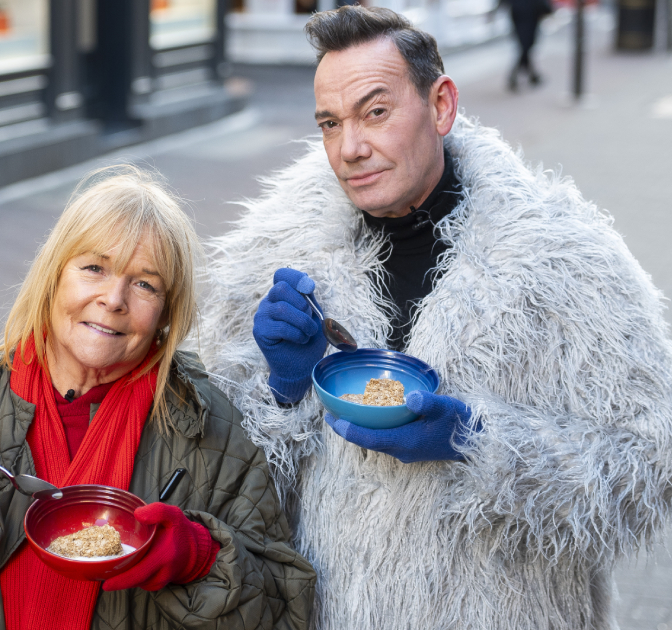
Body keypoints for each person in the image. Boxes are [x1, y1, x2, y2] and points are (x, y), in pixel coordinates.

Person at [197, 6, 672, 630]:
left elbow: (651, 458)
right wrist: (284, 391)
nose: (350, 148)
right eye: (330, 123)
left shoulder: (566, 258)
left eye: (376, 112)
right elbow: (226, 486)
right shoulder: (273, 256)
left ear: (441, 105)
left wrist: (473, 440)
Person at [0, 167, 315, 630]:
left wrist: (201, 561)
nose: (114, 299)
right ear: (53, 277)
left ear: (167, 314)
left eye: (145, 283)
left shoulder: (212, 433)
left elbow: (284, 612)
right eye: (94, 268)